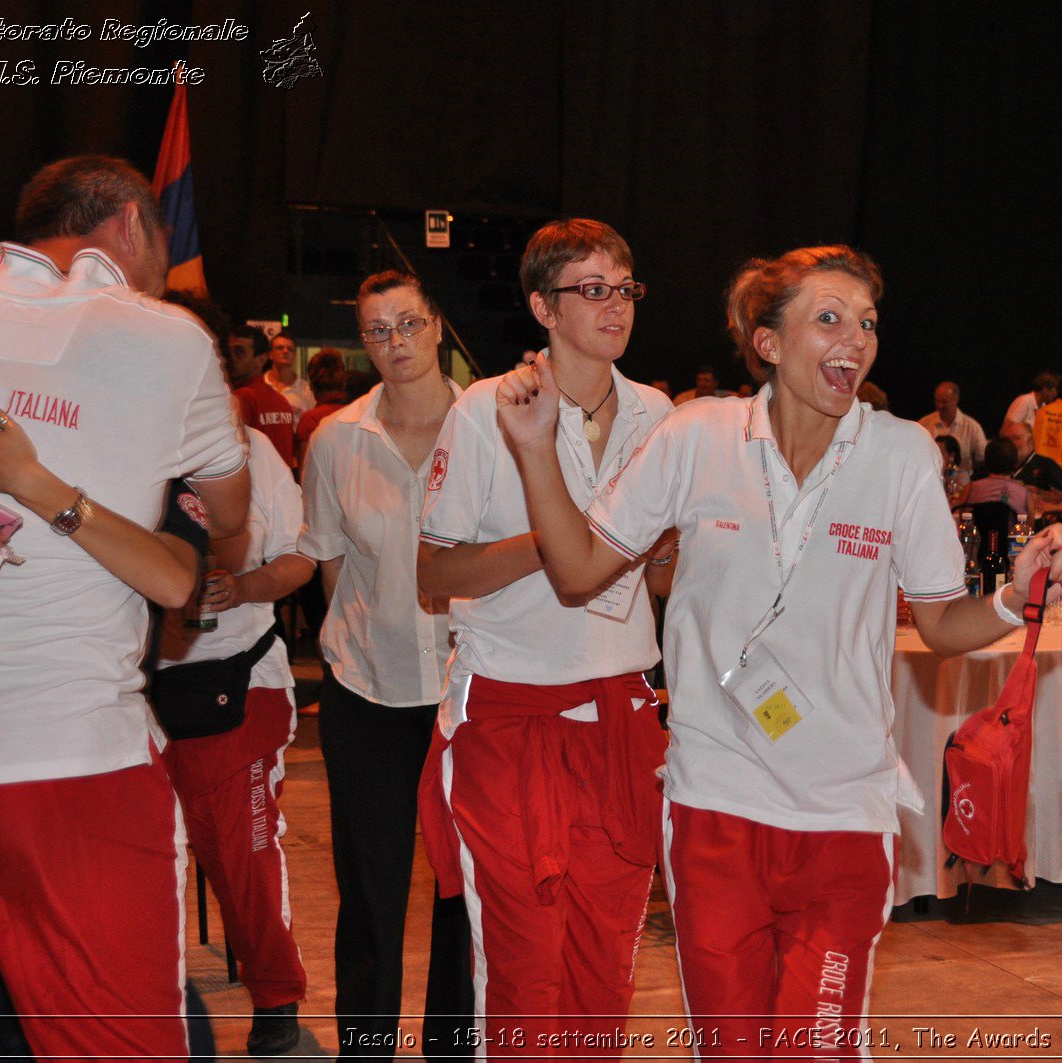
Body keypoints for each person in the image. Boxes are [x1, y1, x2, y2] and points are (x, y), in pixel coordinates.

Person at [487, 244, 1062, 1058]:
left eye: (866, 323)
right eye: (828, 318)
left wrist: (1012, 596)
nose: (855, 340)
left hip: (843, 811)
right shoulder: (698, 436)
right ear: (767, 342)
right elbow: (581, 570)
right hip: (715, 803)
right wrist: (532, 446)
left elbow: (942, 624)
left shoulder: (900, 453)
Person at [0, 154, 249, 1060]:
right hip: (67, 757)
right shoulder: (169, 338)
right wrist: (61, 485)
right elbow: (227, 519)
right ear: (131, 227)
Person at [416, 218, 676, 1054]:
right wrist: (566, 539)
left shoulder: (658, 414)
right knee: (525, 970)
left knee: (606, 963)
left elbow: (662, 582)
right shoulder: (488, 408)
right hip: (510, 718)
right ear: (542, 306)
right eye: (590, 289)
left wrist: (667, 553)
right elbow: (436, 574)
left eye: (625, 286)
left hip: (623, 713)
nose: (614, 304)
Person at [298, 269, 470, 1055]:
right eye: (377, 330)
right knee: (370, 890)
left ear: (437, 326)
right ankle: (366, 1045)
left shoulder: (492, 427)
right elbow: (334, 569)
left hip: (468, 698)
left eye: (407, 324)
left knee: (458, 894)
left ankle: (452, 1044)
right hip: (367, 691)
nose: (395, 343)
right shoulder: (336, 438)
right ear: (361, 342)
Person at [155, 425, 313, 1056]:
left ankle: (276, 998)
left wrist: (244, 586)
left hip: (241, 678)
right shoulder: (116, 439)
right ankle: (149, 1001)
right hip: (124, 687)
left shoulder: (253, 450)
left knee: (241, 854)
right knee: (144, 858)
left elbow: (302, 557)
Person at [232, 325, 298, 470]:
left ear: (261, 360)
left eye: (239, 352)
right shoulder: (282, 402)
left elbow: (235, 458)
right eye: (229, 351)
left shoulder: (243, 398)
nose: (231, 358)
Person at [919, 381, 987, 476]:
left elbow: (982, 460)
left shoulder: (972, 427)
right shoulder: (924, 424)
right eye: (937, 401)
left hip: (963, 485)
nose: (940, 406)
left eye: (944, 402)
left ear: (956, 400)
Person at [294, 348, 348, 467]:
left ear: (311, 386)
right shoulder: (357, 414)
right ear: (343, 383)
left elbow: (306, 471)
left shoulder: (310, 419)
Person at [963, 437, 1031, 514]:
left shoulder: (968, 490)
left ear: (986, 461)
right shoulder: (1024, 494)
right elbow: (1029, 525)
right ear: (1015, 462)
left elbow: (962, 520)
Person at [1003, 421, 1062, 494]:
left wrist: (1038, 493)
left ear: (1030, 441)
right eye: (1007, 439)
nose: (1010, 443)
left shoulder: (1048, 466)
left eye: (1016, 438)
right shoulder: (1000, 464)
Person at [266, 331, 315, 414]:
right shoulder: (261, 384)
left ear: (295, 355)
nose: (285, 351)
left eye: (290, 349)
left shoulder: (306, 390)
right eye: (280, 348)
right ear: (270, 354)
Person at [1001, 370, 1058, 435]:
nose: (1055, 395)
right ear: (1044, 389)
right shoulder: (1025, 400)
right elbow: (1005, 430)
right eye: (1053, 391)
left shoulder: (1043, 406)